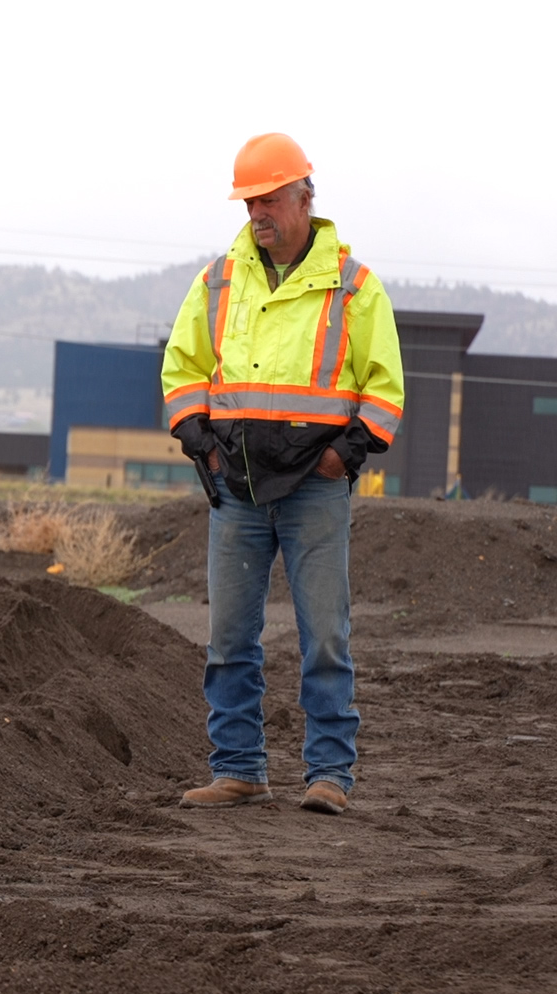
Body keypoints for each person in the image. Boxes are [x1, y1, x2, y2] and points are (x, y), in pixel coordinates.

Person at [160, 133, 405, 815]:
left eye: (266, 199)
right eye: (248, 202)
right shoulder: (218, 280)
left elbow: (384, 388)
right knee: (228, 638)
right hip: (235, 488)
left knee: (324, 635)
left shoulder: (354, 286)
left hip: (315, 489)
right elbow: (182, 369)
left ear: (304, 195)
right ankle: (238, 770)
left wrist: (343, 455)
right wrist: (198, 440)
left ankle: (330, 776)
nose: (255, 213)